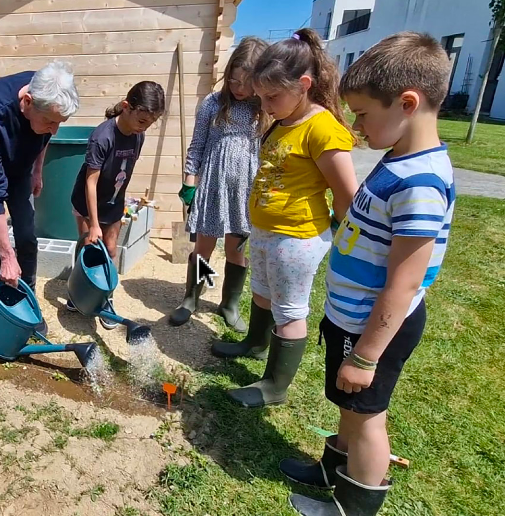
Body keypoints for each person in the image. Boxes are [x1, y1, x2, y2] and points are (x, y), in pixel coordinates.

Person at [282, 32, 455, 516]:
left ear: (407, 103)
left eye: (361, 114)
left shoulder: (419, 182)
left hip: (371, 330)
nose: (356, 127)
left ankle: (352, 506)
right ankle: (333, 468)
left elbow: (404, 283)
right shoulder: (398, 159)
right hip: (352, 320)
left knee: (367, 418)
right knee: (349, 409)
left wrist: (366, 355)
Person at [219, 28, 359, 408]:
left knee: (289, 310)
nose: (264, 106)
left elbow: (347, 196)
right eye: (261, 97)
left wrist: (331, 235)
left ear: (304, 85)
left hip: (295, 238)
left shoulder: (322, 128)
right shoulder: (284, 121)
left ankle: (274, 387)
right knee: (262, 293)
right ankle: (254, 343)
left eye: (272, 97)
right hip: (266, 232)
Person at [0, 60, 79, 335]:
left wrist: (37, 170)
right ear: (27, 101)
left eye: (59, 123)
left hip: (20, 167)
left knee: (26, 234)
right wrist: (6, 256)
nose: (54, 129)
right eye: (50, 121)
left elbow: (45, 137)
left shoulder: (47, 92)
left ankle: (27, 297)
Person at [169, 37, 270, 334]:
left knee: (236, 251)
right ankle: (191, 297)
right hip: (212, 189)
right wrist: (190, 181)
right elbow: (197, 145)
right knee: (203, 248)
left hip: (245, 193)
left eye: (247, 83)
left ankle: (229, 304)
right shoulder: (212, 104)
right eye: (234, 80)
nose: (240, 88)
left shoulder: (264, 109)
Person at [67, 81, 165, 329]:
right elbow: (91, 182)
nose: (145, 127)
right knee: (88, 248)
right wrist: (93, 224)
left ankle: (104, 298)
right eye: (142, 121)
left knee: (110, 251)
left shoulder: (138, 136)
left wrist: (119, 199)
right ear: (126, 107)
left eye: (150, 124)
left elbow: (125, 170)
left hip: (113, 202)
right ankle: (77, 295)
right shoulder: (103, 137)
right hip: (88, 202)